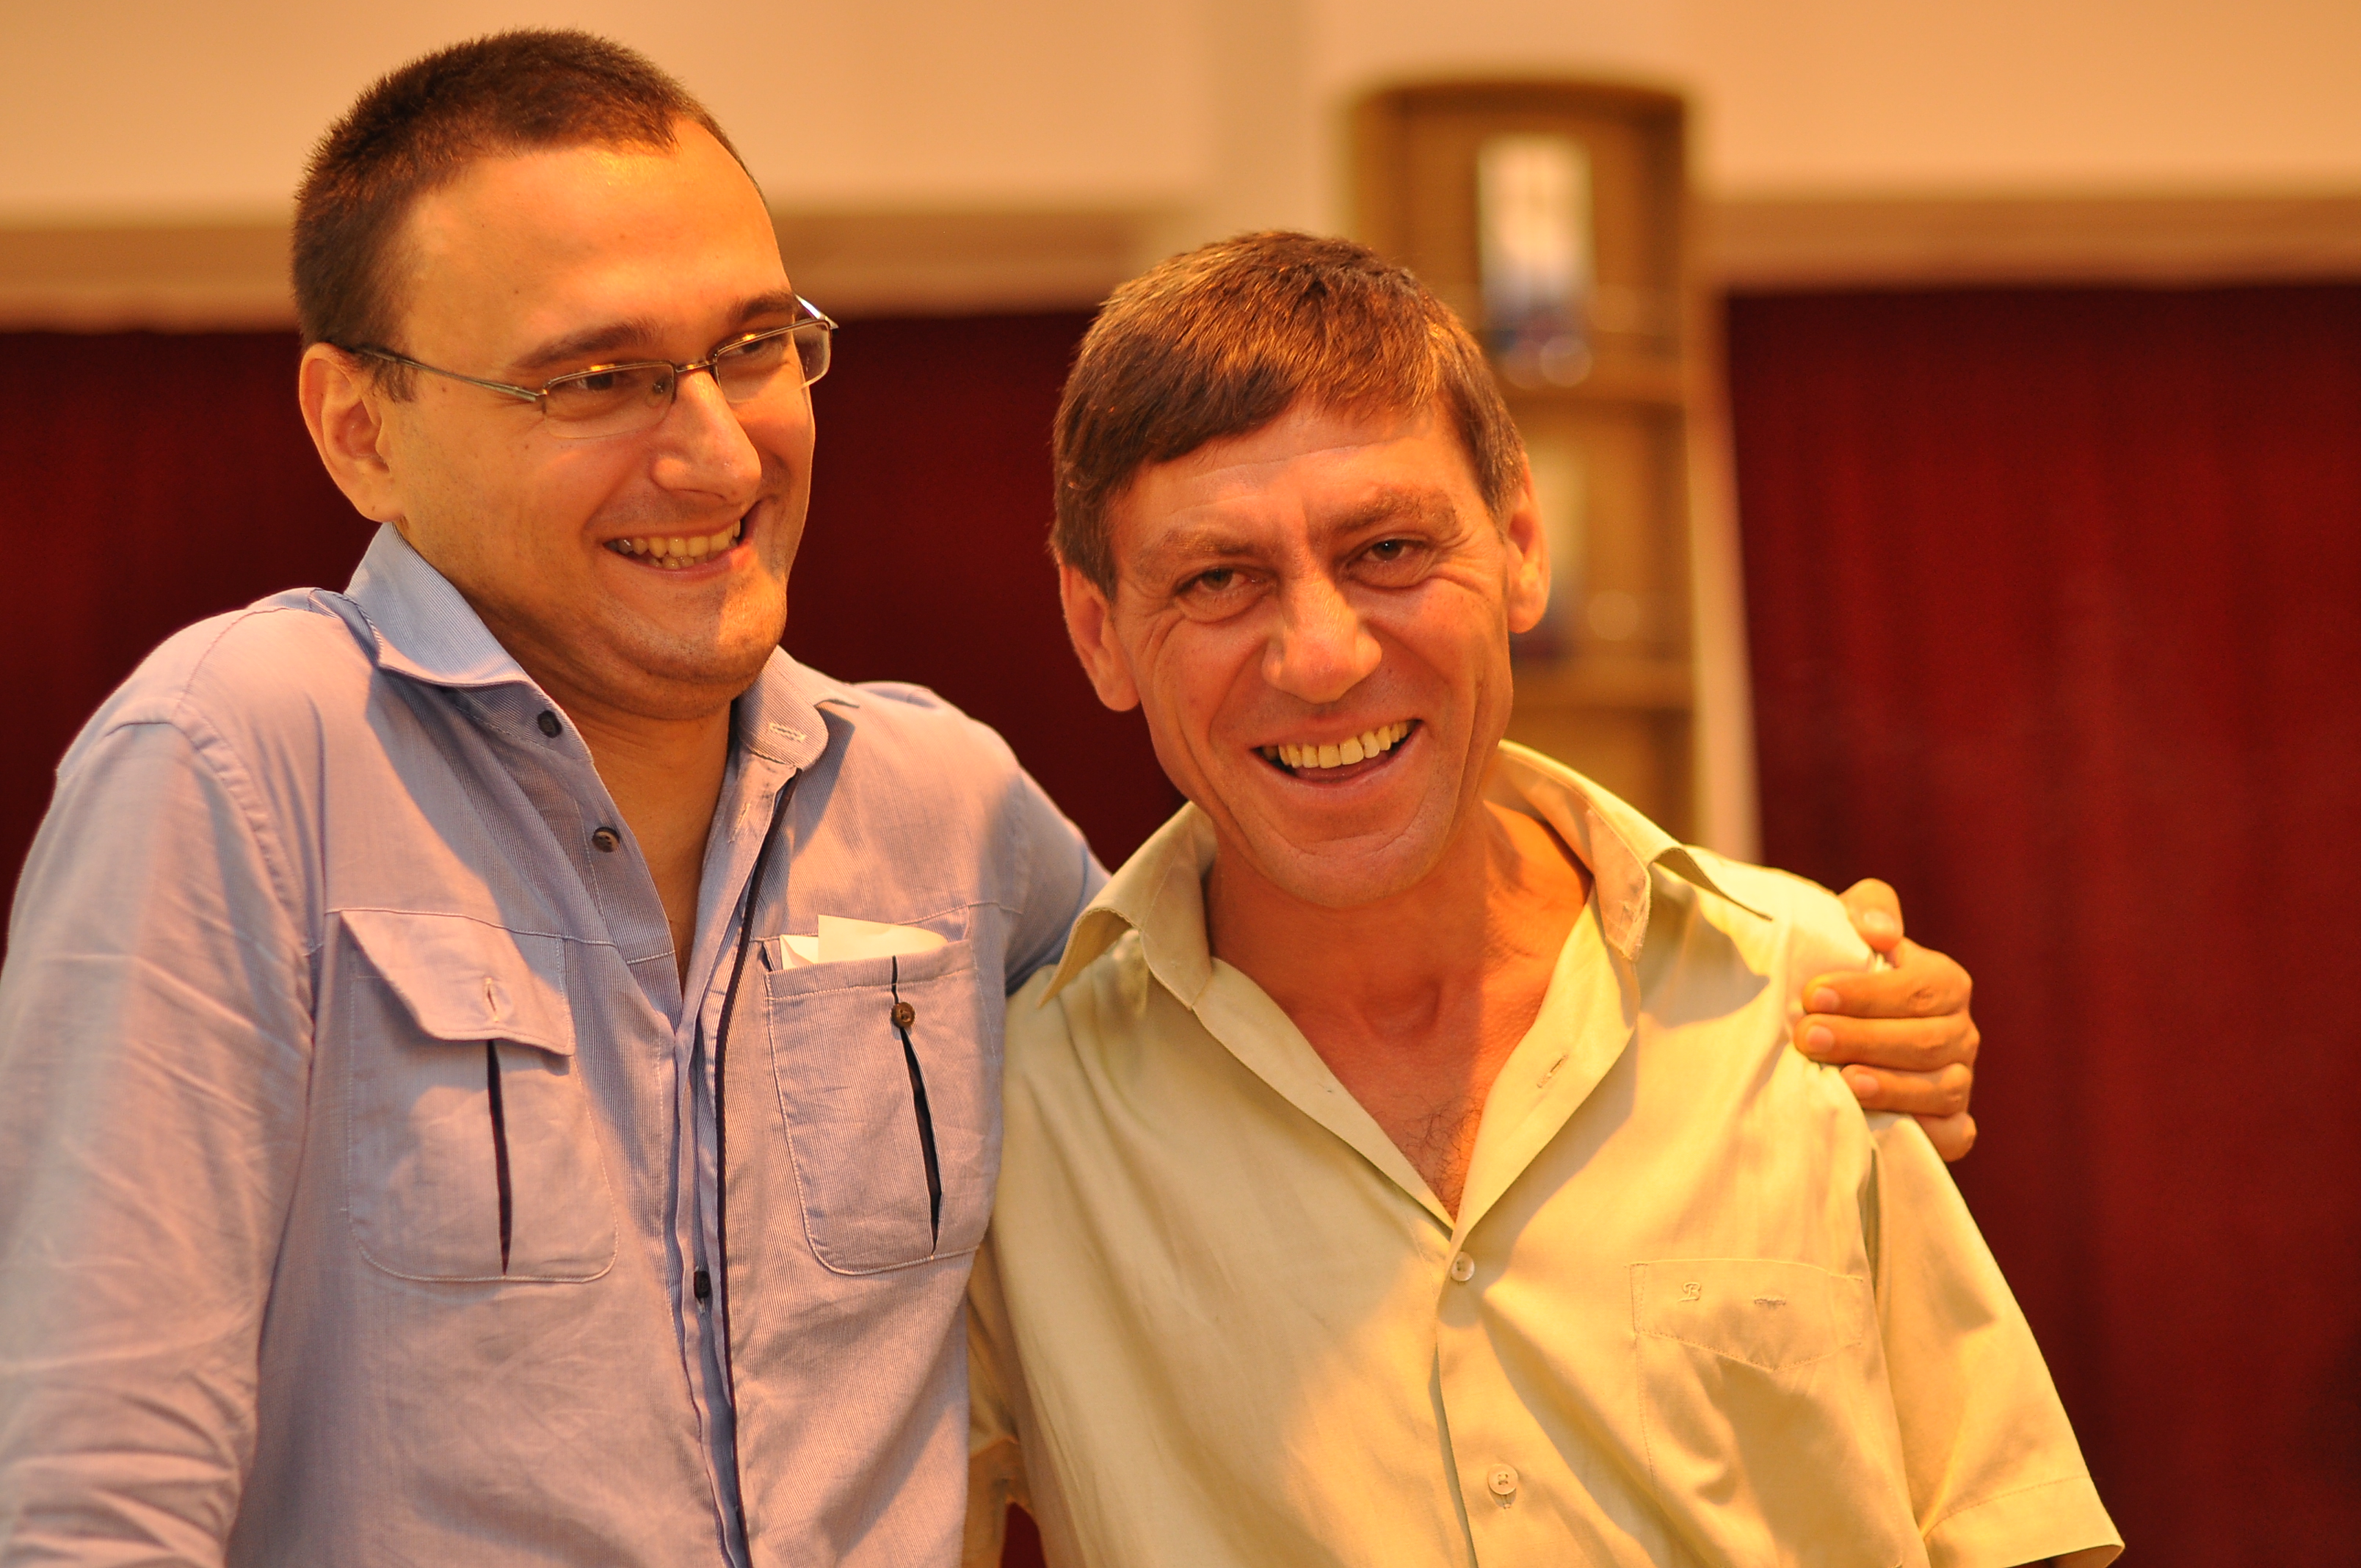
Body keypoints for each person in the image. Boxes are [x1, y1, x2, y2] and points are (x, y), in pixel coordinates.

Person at [0, 32, 1976, 1568]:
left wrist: (1755, 953)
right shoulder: (235, 762)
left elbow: (1263, 977)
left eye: (752, 349)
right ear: (361, 427)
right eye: (593, 380)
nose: (714, 451)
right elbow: (97, 1496)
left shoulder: (942, 812)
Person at [964, 233, 2119, 1567]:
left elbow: (2004, 1527)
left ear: (1520, 547)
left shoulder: (1797, 992)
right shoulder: (1016, 1130)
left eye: (1388, 548)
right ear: (1098, 631)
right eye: (1217, 580)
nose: (1323, 656)